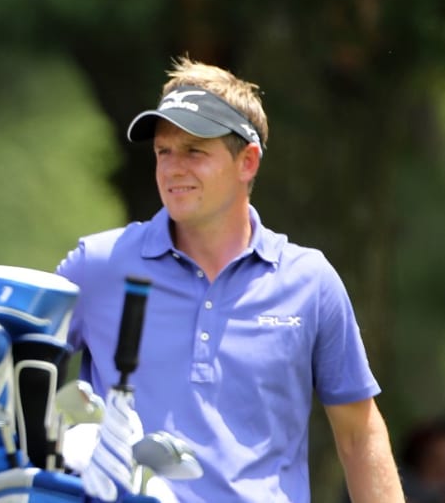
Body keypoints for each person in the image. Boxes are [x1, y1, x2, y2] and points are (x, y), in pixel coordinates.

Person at [56, 56, 405, 502]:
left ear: (248, 162)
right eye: (164, 151)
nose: (172, 168)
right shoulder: (98, 265)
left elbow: (359, 436)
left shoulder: (309, 282)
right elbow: (21, 370)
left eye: (194, 151)